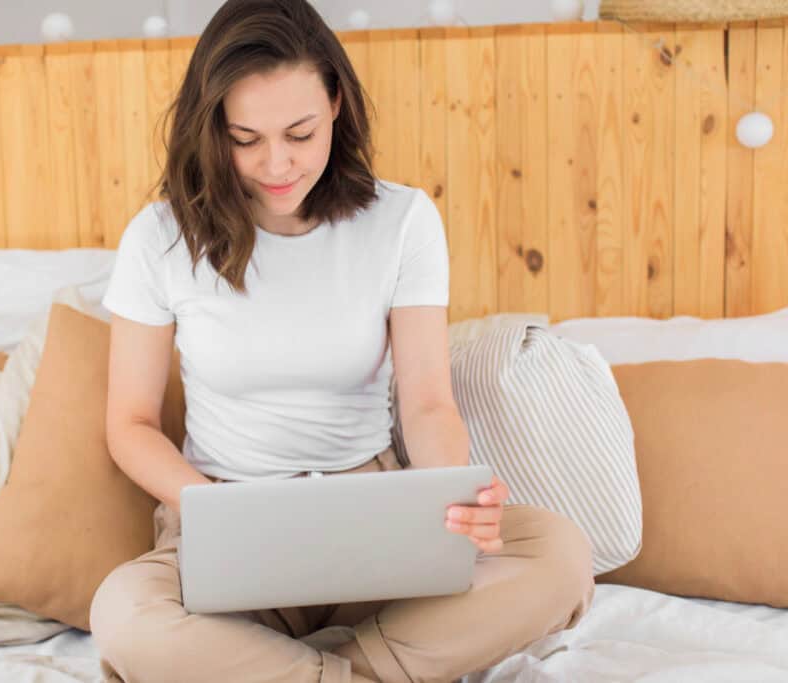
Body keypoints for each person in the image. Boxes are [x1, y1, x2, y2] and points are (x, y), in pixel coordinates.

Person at [89, 1, 594, 681]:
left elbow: (426, 401)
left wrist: (450, 493)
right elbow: (131, 424)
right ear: (213, 131)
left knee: (561, 554)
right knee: (122, 613)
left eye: (300, 132)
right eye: (246, 138)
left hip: (374, 515)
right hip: (226, 513)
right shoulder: (158, 237)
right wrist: (210, 505)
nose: (276, 164)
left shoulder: (402, 220)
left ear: (335, 103)